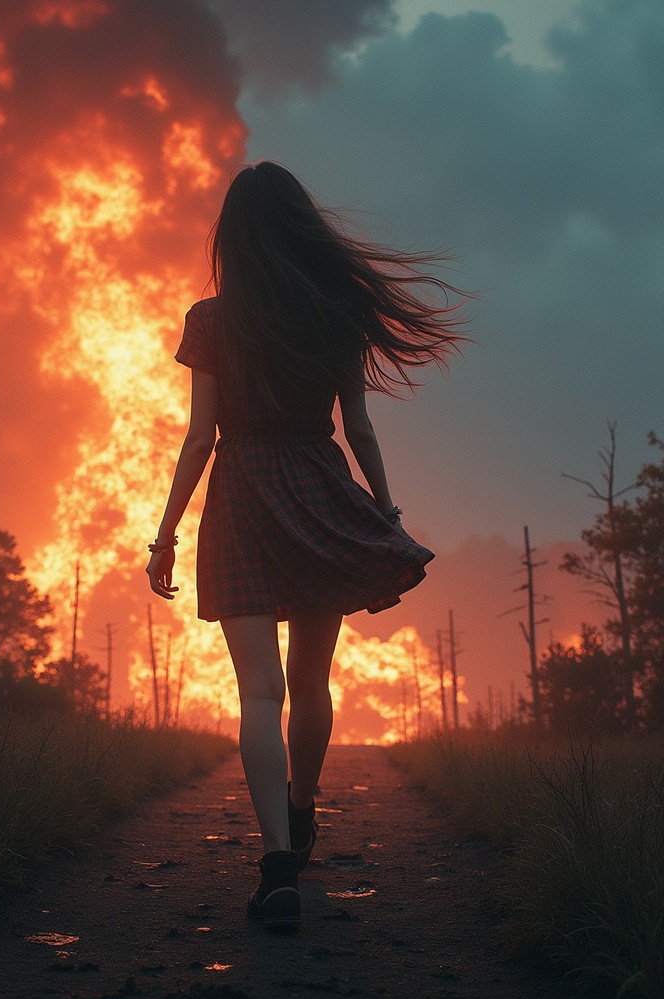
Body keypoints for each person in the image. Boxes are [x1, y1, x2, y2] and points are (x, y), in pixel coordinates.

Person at [146, 161, 466, 931]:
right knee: (311, 681)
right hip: (319, 487)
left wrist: (164, 538)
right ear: (302, 230)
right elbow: (358, 429)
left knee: (259, 692)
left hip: (242, 496)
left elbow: (198, 441)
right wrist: (384, 509)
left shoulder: (211, 320)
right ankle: (302, 806)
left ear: (235, 238)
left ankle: (277, 861)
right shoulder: (337, 317)